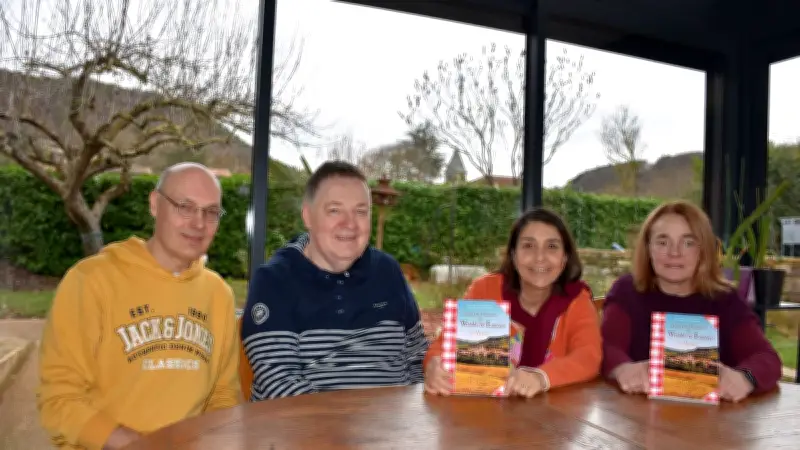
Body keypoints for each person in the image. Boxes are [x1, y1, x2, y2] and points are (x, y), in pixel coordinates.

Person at [37, 163, 242, 450]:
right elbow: (59, 398)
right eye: (185, 207)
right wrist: (137, 444)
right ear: (155, 204)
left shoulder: (218, 294)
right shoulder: (92, 281)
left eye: (210, 212)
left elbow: (223, 393)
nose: (199, 224)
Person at [239, 161, 428, 401]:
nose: (349, 224)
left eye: (360, 211)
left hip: (395, 429)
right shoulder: (275, 280)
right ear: (308, 216)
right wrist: (347, 433)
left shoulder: (387, 271)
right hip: (305, 431)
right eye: (335, 210)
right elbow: (278, 379)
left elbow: (417, 357)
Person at [601, 200, 782, 402]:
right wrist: (622, 369)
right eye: (662, 242)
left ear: (703, 250)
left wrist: (745, 378)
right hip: (637, 416)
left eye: (688, 242)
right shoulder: (627, 291)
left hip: (712, 424)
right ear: (648, 249)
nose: (675, 252)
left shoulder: (725, 299)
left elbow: (766, 358)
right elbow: (606, 347)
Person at [423, 208, 602, 398]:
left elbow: (589, 357)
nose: (539, 257)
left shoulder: (576, 299)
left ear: (565, 258)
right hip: (485, 417)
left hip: (556, 418)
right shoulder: (485, 290)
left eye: (552, 247)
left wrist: (541, 377)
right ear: (514, 255)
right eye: (528, 246)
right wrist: (434, 364)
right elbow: (442, 348)